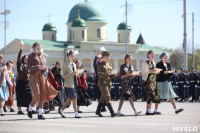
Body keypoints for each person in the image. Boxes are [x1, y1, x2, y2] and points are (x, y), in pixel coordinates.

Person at [27, 42, 59, 120]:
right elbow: (28, 67)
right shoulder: (30, 56)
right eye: (38, 48)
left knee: (42, 95)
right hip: (34, 76)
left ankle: (40, 114)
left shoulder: (42, 55)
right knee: (37, 95)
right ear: (34, 48)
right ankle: (30, 107)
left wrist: (44, 67)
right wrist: (38, 66)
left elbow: (44, 65)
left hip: (41, 76)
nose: (39, 50)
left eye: (40, 48)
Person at [58, 50, 81, 118]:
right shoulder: (65, 65)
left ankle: (62, 109)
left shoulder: (73, 64)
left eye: (74, 57)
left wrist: (79, 74)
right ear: (68, 56)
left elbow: (74, 75)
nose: (73, 58)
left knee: (70, 99)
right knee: (74, 98)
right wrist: (73, 73)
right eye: (72, 56)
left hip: (74, 83)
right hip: (68, 84)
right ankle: (76, 113)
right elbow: (64, 75)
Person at [95, 51, 117, 117]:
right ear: (103, 57)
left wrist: (114, 74)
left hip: (108, 83)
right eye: (106, 57)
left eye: (108, 57)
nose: (108, 58)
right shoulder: (99, 65)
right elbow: (99, 75)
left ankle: (98, 111)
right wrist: (108, 74)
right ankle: (112, 112)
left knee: (103, 98)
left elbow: (111, 75)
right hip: (102, 83)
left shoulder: (108, 65)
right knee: (107, 96)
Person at [141, 50, 160, 115]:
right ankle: (148, 110)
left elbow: (153, 71)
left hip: (153, 81)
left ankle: (149, 110)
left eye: (153, 56)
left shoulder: (153, 62)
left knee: (154, 95)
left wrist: (156, 72)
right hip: (147, 80)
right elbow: (142, 72)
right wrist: (150, 71)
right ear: (148, 54)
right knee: (150, 94)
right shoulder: (144, 62)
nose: (153, 56)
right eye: (152, 55)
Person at [15, 42, 33, 115]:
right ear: (23, 59)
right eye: (25, 59)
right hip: (20, 82)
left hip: (27, 83)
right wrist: (21, 49)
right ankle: (19, 110)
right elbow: (18, 57)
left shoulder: (28, 66)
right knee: (20, 96)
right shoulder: (20, 64)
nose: (26, 60)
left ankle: (29, 109)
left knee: (29, 96)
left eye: (27, 59)